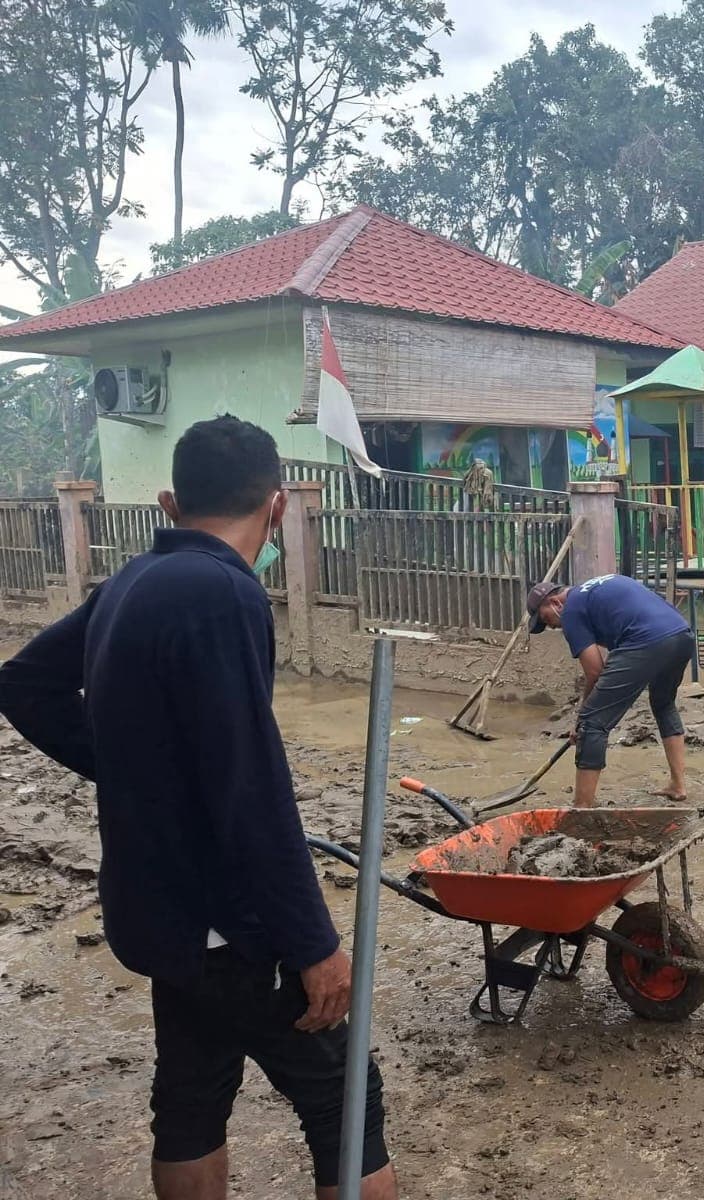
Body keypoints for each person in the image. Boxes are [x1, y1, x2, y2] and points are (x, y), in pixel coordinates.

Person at [0, 416, 395, 1200]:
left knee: (189, 1101)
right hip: (229, 931)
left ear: (169, 501)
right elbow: (249, 785)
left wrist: (132, 770)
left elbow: (24, 684)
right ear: (277, 509)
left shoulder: (134, 581)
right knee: (344, 1105)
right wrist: (314, 944)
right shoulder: (222, 594)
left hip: (160, 917)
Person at [526, 573, 696, 807]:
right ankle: (678, 786)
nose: (550, 626)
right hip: (681, 634)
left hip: (646, 640)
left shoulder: (572, 611)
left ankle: (582, 806)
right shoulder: (596, 588)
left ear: (555, 603)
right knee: (664, 703)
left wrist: (582, 717)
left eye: (544, 619)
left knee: (593, 723)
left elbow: (595, 671)